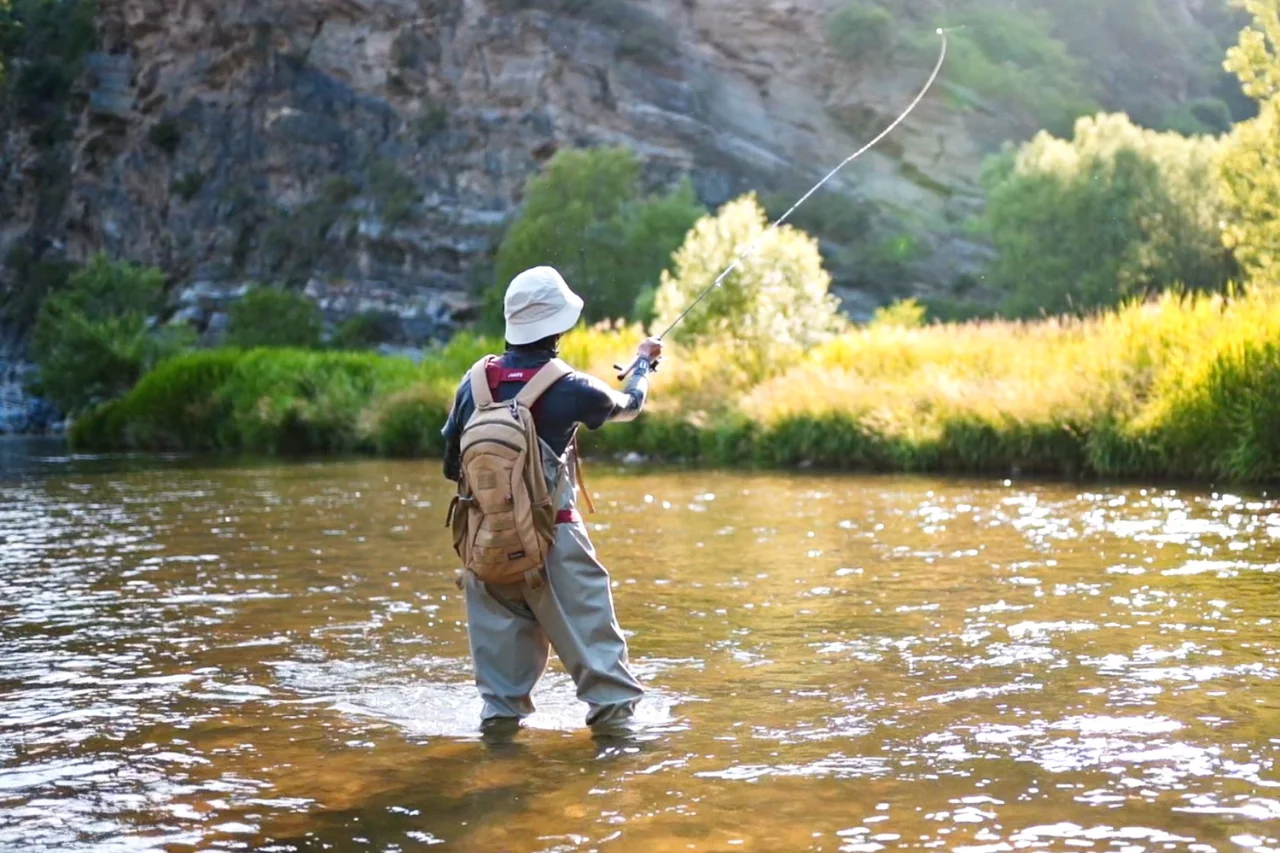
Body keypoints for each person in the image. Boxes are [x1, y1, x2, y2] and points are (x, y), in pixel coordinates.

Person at [441, 265, 663, 732]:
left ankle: (497, 784)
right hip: (553, 544)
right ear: (560, 325)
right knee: (612, 698)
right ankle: (617, 784)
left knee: (500, 706)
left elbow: (449, 466)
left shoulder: (473, 384)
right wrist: (642, 364)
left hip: (484, 550)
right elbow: (631, 405)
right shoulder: (571, 387)